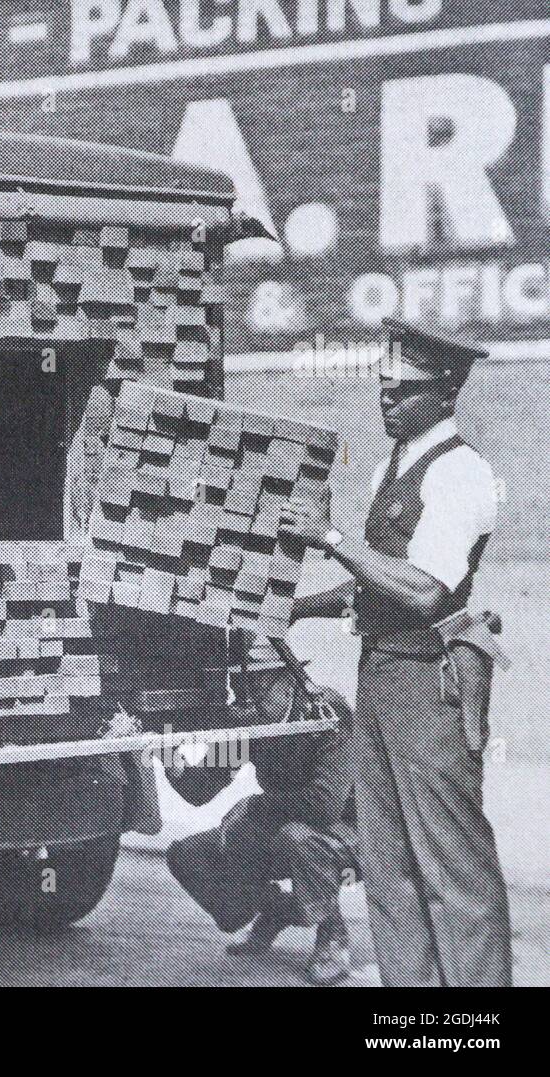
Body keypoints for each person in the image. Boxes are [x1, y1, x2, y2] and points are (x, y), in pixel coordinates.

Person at [280, 319, 511, 987]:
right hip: (381, 672)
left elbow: (422, 588)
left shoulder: (463, 472)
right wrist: (297, 606)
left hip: (430, 680)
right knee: (388, 866)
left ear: (445, 391)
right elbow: (374, 583)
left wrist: (329, 534)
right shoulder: (393, 466)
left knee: (452, 866)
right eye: (384, 388)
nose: (388, 400)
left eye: (403, 391)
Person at [166, 650, 358, 985]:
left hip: (350, 836)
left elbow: (326, 804)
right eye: (241, 686)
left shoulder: (326, 712)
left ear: (288, 684)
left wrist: (257, 806)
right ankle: (278, 909)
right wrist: (170, 756)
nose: (247, 698)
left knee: (295, 838)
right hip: (286, 827)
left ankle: (332, 931)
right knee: (187, 855)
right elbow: (201, 789)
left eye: (257, 686)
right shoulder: (254, 726)